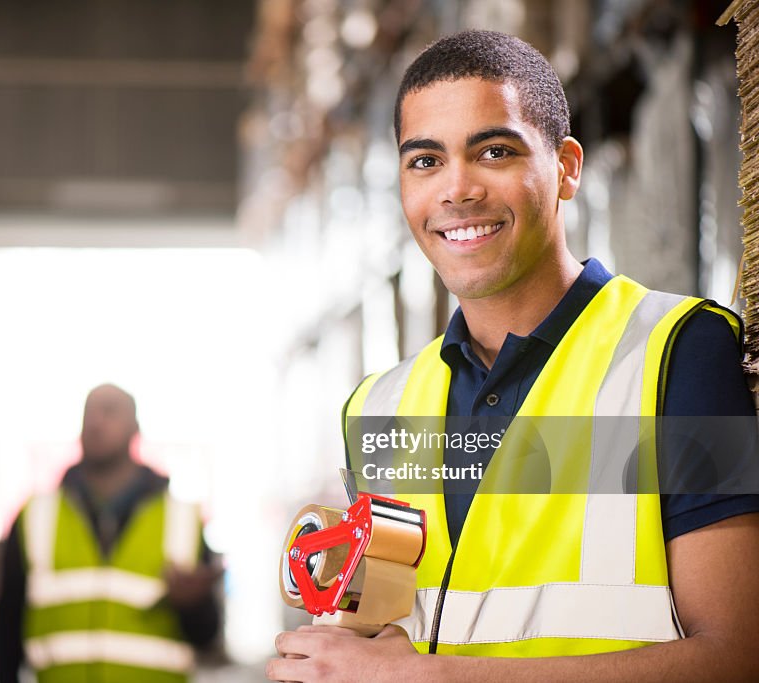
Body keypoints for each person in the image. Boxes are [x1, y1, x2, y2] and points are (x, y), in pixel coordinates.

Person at [268, 30, 759, 682]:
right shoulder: (379, 407)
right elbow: (388, 635)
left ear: (566, 167)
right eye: (425, 161)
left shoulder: (678, 354)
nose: (457, 189)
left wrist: (427, 678)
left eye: (493, 151)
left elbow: (736, 655)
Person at [0, 383, 221, 683]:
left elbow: (208, 636)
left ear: (135, 428)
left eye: (110, 411)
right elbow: (7, 624)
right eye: (89, 412)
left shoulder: (182, 520)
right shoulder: (36, 515)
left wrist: (195, 605)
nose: (95, 421)